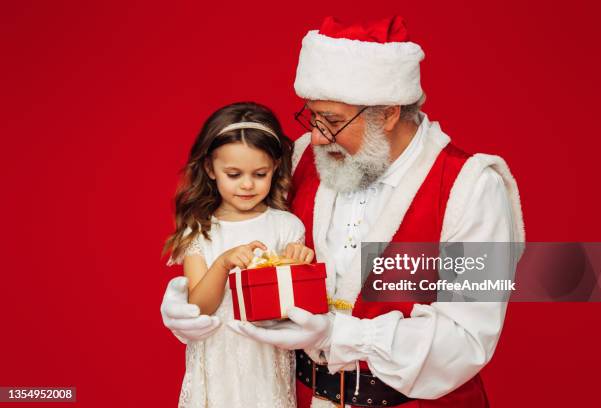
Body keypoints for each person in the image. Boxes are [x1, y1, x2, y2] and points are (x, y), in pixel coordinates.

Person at [162, 16, 525, 408]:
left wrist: (335, 335)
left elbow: (467, 341)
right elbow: (247, 242)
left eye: (332, 120)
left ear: (387, 113)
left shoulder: (473, 187)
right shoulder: (304, 157)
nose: (317, 135)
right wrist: (190, 299)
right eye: (312, 116)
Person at [163, 101, 315, 407]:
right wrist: (222, 264)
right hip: (217, 362)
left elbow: (291, 311)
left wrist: (296, 267)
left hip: (265, 363)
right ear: (210, 169)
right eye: (233, 174)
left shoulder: (286, 227)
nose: (247, 185)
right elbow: (199, 309)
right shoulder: (201, 232)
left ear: (275, 167)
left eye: (260, 173)